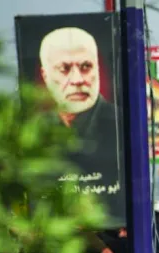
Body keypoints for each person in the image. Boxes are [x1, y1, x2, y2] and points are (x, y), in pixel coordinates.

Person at [39, 27, 119, 184]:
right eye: (64, 69)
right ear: (45, 76)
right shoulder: (35, 132)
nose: (77, 80)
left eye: (86, 67)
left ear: (97, 69)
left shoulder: (123, 124)